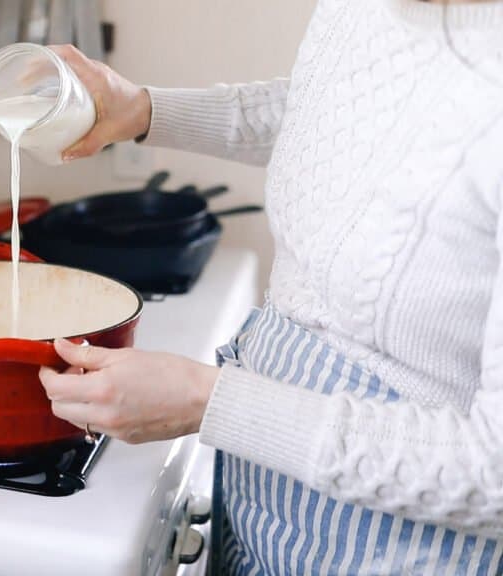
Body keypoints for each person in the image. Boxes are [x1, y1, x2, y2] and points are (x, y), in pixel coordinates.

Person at [36, 0, 503, 573]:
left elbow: (493, 474)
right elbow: (336, 105)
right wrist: (147, 110)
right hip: (264, 497)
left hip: (399, 546)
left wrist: (209, 402)